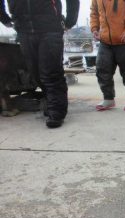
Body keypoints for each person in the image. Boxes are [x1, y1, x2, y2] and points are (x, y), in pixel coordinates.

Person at [0, 0, 80, 128]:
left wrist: (70, 20)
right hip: (23, 29)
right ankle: (51, 101)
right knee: (35, 72)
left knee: (51, 72)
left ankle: (56, 111)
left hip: (50, 28)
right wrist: (3, 17)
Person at [90, 0, 125, 112]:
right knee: (102, 70)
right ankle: (108, 98)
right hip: (105, 40)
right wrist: (95, 28)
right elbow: (94, 12)